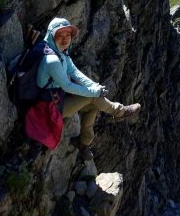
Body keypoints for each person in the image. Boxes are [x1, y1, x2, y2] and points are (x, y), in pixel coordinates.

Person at [36, 17, 141, 160]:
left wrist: (93, 86)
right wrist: (94, 92)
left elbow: (74, 72)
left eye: (68, 34)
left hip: (55, 98)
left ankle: (84, 143)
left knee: (93, 105)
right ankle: (119, 112)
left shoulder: (60, 52)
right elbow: (67, 85)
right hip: (47, 109)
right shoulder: (52, 60)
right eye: (60, 35)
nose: (65, 38)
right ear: (52, 36)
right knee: (93, 97)